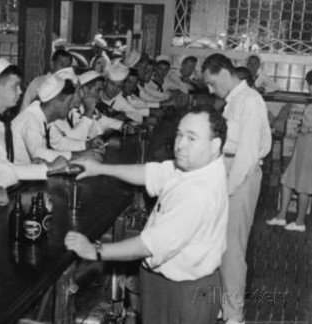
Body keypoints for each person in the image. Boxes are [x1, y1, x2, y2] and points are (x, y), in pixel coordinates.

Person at [65, 105, 229, 324]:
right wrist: (100, 168)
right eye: (179, 135)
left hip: (182, 292)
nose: (180, 145)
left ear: (215, 145)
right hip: (167, 285)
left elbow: (149, 245)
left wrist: (95, 250)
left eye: (191, 138)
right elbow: (152, 173)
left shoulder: (199, 193)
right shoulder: (196, 168)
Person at [202, 53, 271, 324]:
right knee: (221, 247)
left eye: (210, 83)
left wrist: (228, 189)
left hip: (240, 178)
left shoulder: (250, 101)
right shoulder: (234, 101)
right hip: (229, 173)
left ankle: (234, 315)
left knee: (233, 251)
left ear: (223, 73)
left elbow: (247, 154)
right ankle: (224, 305)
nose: (210, 89)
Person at [0, 58, 68, 187]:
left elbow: (5, 162)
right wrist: (48, 168)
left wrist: (33, 166)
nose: (20, 91)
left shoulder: (1, 120)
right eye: (15, 86)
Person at [12, 76, 103, 164]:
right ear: (57, 101)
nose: (70, 106)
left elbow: (59, 143)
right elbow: (39, 154)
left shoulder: (41, 115)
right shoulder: (31, 119)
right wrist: (78, 155)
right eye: (69, 100)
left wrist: (87, 145)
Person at [266, 70, 312, 232]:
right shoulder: (310, 102)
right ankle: (281, 216)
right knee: (287, 181)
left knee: (304, 186)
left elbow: (306, 127)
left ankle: (300, 222)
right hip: (302, 146)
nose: (309, 87)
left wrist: (306, 128)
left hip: (309, 149)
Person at [49, 71, 131, 148]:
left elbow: (99, 118)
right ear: (85, 89)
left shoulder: (83, 107)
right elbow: (74, 140)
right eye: (98, 90)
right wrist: (88, 112)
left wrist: (121, 126)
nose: (99, 95)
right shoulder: (63, 113)